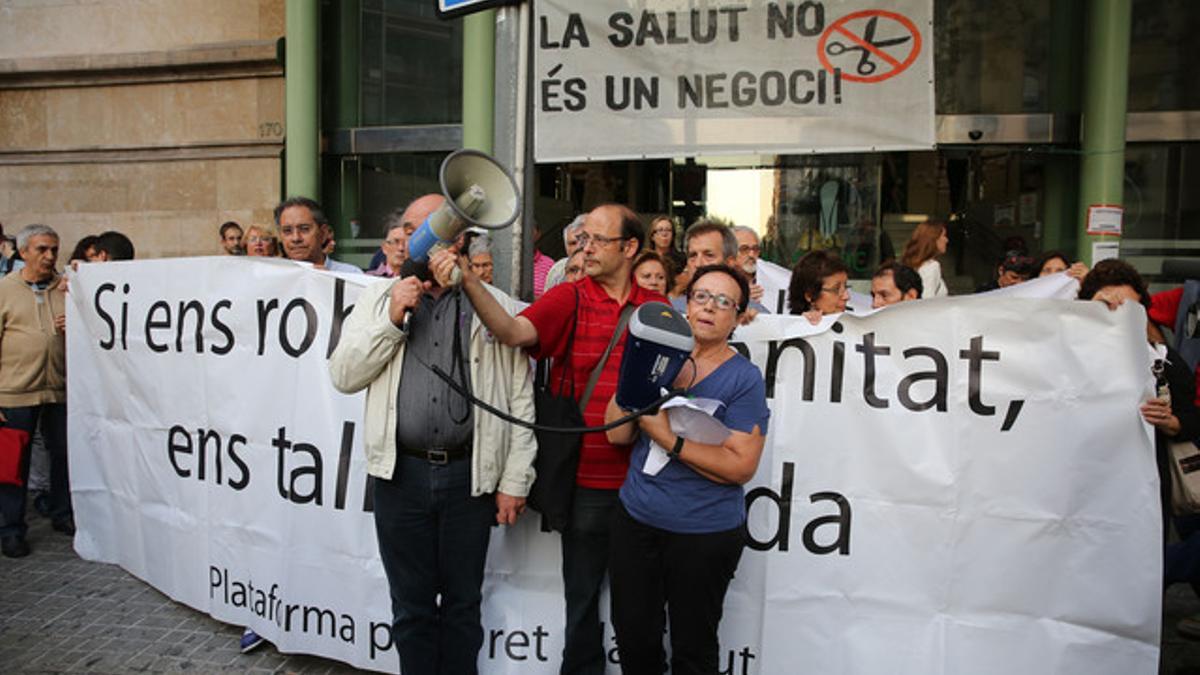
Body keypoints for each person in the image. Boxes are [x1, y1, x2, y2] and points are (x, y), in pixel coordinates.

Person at [448, 203, 665, 675]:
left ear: (629, 248)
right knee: (582, 599)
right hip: (586, 482)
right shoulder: (570, 297)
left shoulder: (658, 310)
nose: (585, 248)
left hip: (645, 486)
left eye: (597, 240)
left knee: (642, 605)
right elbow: (510, 330)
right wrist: (469, 282)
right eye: (582, 238)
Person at [328, 193, 536, 674]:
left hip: (469, 478)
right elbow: (344, 374)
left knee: (463, 606)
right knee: (412, 608)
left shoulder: (494, 306)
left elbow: (521, 401)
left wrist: (515, 479)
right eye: (406, 227)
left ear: (458, 240)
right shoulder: (379, 297)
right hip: (401, 476)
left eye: (427, 227)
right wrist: (391, 317)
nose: (410, 238)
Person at [603, 263, 769, 675]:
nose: (709, 307)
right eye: (700, 297)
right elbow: (616, 436)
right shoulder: (661, 356)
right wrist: (637, 379)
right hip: (637, 522)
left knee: (693, 651)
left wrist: (668, 438)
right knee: (635, 641)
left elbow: (740, 466)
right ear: (686, 305)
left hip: (704, 536)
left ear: (737, 317)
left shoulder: (744, 379)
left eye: (723, 301)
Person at [0, 224, 72, 558]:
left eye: (54, 249)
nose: (49, 256)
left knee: (63, 455)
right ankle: (12, 529)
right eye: (42, 249)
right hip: (14, 393)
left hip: (57, 390)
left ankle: (62, 513)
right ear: (24, 251)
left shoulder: (65, 288)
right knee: (14, 465)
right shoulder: (6, 290)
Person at [275, 197, 361, 274]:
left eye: (304, 229)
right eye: (287, 231)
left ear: (323, 233)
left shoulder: (350, 274)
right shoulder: (274, 278)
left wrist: (329, 282)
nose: (296, 238)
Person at [672, 219, 739, 312]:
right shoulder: (669, 313)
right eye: (693, 255)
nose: (698, 264)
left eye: (709, 255)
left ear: (729, 263)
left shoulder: (757, 317)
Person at [900, 220, 948, 298]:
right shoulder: (932, 266)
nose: (946, 240)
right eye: (944, 235)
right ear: (933, 239)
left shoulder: (913, 265)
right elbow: (926, 300)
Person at [544, 215, 586, 291]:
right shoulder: (557, 270)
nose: (578, 247)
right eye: (572, 243)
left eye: (583, 242)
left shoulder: (602, 269)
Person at [732, 225, 767, 309]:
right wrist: (742, 299)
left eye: (755, 249)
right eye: (744, 249)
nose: (751, 255)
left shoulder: (769, 280)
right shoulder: (720, 281)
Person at [648, 215, 687, 281]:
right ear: (652, 236)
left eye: (668, 230)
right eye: (660, 230)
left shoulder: (682, 259)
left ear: (673, 236)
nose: (664, 234)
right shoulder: (646, 259)